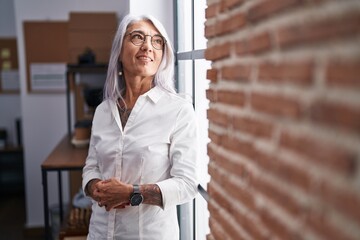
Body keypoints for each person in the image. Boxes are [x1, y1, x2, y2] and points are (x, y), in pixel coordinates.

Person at [82, 14, 199, 240]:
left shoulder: (178, 110)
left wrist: (132, 193)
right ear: (119, 49)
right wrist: (94, 186)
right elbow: (91, 165)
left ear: (163, 54)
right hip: (99, 232)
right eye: (137, 37)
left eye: (157, 41)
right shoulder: (103, 111)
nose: (148, 46)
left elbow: (187, 184)